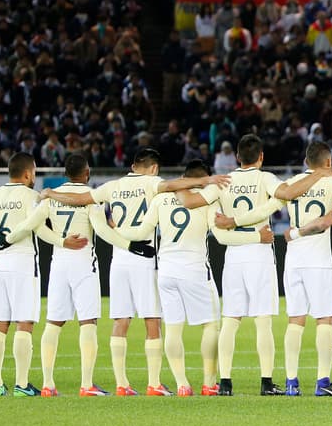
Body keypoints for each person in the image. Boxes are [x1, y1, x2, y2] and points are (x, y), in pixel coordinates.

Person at [92, 161, 290, 396]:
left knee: (174, 328)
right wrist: (256, 237)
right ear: (205, 178)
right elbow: (222, 237)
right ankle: (209, 382)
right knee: (211, 325)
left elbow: (140, 233)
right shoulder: (206, 200)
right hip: (195, 269)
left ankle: (182, 384)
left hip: (166, 271)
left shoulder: (160, 199)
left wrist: (115, 229)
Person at [41, 148, 226, 396]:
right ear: (153, 168)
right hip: (144, 257)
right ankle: (154, 382)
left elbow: (82, 199)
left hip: (118, 260)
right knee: (152, 321)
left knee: (121, 321)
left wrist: (51, 193)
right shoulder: (153, 183)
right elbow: (177, 186)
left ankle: (122, 384)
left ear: (133, 164)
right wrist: (205, 180)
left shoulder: (111, 186)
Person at [183, 133, 329, 396]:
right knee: (263, 320)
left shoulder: (223, 181)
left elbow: (190, 201)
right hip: (260, 253)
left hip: (233, 255)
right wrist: (320, 173)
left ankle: (225, 383)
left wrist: (187, 183)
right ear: (261, 157)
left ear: (237, 158)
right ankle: (266, 382)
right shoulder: (265, 178)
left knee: (231, 319)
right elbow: (290, 192)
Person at [219, 141, 332, 396]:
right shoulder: (331, 180)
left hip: (293, 260)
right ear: (328, 162)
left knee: (296, 319)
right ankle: (323, 382)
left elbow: (267, 208)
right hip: (320, 260)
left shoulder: (290, 183)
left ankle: (291, 381)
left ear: (305, 162)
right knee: (325, 318)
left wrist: (232, 221)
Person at [9, 154, 143, 396]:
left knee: (54, 322)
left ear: (66, 172)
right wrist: (130, 246)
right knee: (88, 322)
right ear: (87, 171)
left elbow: (33, 225)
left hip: (59, 263)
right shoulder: (89, 199)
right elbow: (102, 230)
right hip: (84, 263)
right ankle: (87, 383)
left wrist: (7, 239)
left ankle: (48, 384)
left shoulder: (51, 197)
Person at [0, 153, 84, 396]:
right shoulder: (32, 197)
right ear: (28, 174)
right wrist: (63, 241)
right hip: (23, 263)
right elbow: (38, 229)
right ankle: (21, 384)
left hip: (0, 265)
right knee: (24, 324)